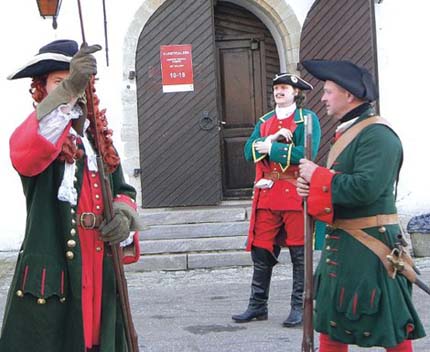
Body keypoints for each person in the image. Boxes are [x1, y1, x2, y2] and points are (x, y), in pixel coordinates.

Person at [0, 39, 142, 352]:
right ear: (42, 88)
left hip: (98, 259)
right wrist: (67, 92)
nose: (70, 88)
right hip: (54, 268)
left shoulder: (97, 140)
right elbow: (24, 150)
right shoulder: (45, 132)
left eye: (76, 81)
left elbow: (123, 189)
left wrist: (122, 216)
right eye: (59, 82)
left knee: (98, 339)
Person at [297, 59, 425, 351]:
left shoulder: (377, 135)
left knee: (390, 324)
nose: (323, 98)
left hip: (371, 246)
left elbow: (365, 189)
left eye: (329, 91)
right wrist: (309, 188)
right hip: (342, 245)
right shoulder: (348, 132)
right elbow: (336, 189)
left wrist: (317, 176)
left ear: (349, 95)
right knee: (333, 322)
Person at [232, 73, 321, 327]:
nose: (279, 92)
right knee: (261, 251)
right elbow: (249, 151)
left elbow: (308, 152)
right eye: (277, 88)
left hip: (294, 194)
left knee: (298, 252)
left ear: (296, 93)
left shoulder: (307, 119)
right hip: (268, 194)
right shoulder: (265, 121)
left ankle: (299, 307)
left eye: (285, 88)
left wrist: (274, 150)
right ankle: (257, 305)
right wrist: (269, 139)